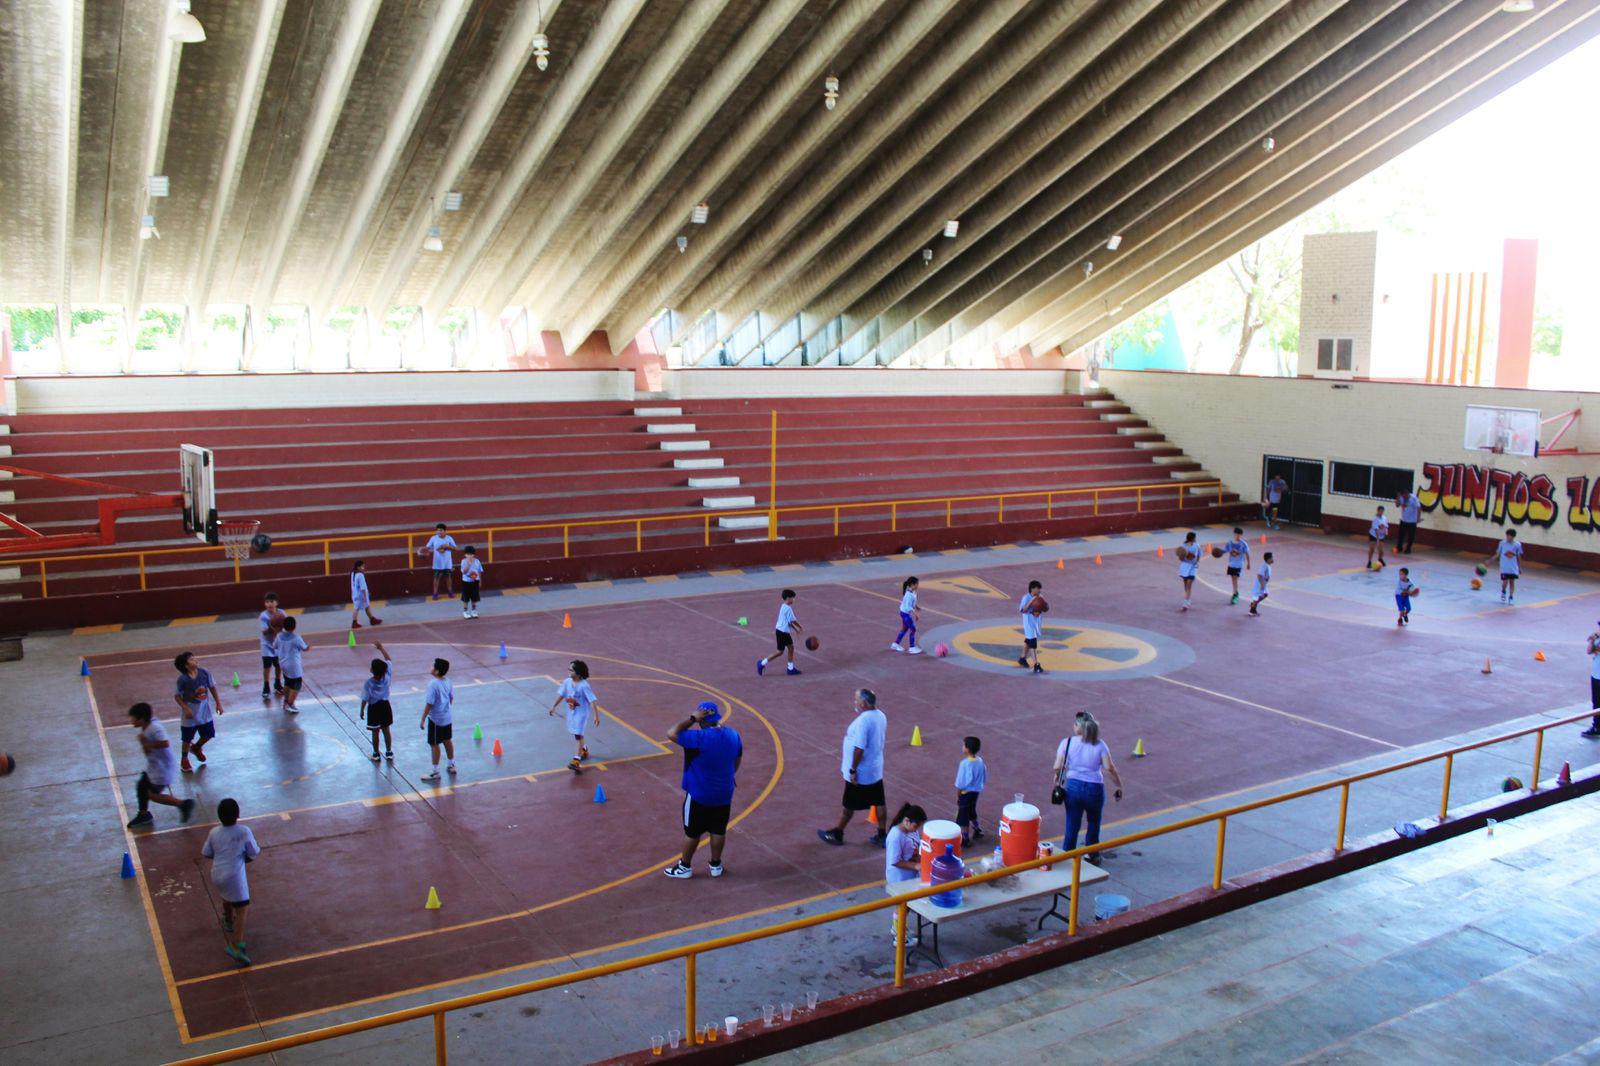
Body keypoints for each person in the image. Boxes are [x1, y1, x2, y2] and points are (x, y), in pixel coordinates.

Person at [662, 701, 743, 879]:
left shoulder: (698, 738)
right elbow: (737, 760)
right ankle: (715, 865)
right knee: (718, 830)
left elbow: (671, 733)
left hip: (699, 794)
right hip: (724, 792)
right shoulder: (733, 735)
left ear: (701, 720)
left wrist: (691, 719)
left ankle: (685, 866)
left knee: (692, 832)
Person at [817, 689, 888, 846]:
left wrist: (853, 769)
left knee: (848, 805)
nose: (854, 702)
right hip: (875, 769)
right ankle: (882, 834)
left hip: (861, 772)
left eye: (856, 700)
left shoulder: (863, 721)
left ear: (863, 703)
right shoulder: (881, 716)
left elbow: (859, 748)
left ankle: (838, 833)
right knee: (879, 802)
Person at [1053, 711, 1124, 856]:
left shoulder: (1067, 743)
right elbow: (1109, 768)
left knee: (1072, 823)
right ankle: (1092, 855)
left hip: (1073, 787)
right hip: (1094, 788)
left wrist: (1058, 776)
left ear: (1078, 727)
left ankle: (1068, 855)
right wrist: (1118, 785)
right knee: (1093, 822)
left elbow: (1057, 766)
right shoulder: (1100, 745)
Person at [202, 797, 260, 966]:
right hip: (234, 875)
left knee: (226, 895)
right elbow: (253, 852)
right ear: (238, 814)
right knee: (242, 908)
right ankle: (236, 945)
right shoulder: (243, 831)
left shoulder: (214, 832)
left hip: (217, 873)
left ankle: (227, 920)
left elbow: (206, 852)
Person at [126, 702, 195, 827]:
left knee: (151, 794)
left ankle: (182, 804)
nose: (131, 720)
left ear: (141, 718)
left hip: (162, 768)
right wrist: (144, 744)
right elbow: (148, 753)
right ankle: (143, 814)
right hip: (154, 766)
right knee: (141, 786)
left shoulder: (155, 728)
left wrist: (147, 744)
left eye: (133, 718)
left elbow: (165, 743)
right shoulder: (146, 727)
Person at [172, 651, 223, 773]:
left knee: (209, 734)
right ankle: (184, 759)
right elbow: (177, 696)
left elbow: (212, 687)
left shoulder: (204, 673)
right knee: (187, 738)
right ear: (186, 665)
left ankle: (196, 747)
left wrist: (218, 703)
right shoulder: (183, 680)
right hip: (190, 713)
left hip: (204, 711)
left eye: (195, 658)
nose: (195, 660)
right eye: (191, 659)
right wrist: (185, 708)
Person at [883, 803, 926, 941]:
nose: (917, 829)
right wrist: (916, 866)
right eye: (916, 825)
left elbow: (914, 846)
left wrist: (917, 857)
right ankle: (899, 935)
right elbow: (895, 861)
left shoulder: (911, 830)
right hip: (899, 877)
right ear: (906, 821)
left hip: (909, 875)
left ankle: (900, 928)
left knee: (906, 906)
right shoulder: (895, 836)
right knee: (902, 906)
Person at [547, 659, 599, 772]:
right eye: (568, 669)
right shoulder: (567, 682)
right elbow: (562, 694)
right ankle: (584, 749)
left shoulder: (584, 686)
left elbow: (592, 700)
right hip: (572, 712)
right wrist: (553, 706)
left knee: (578, 735)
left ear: (578, 673)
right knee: (576, 734)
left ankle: (576, 760)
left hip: (582, 714)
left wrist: (596, 715)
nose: (568, 671)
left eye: (571, 670)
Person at [419, 657, 455, 781]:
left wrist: (423, 718)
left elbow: (429, 703)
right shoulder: (448, 681)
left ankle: (435, 771)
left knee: (434, 744)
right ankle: (451, 764)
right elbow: (451, 698)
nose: (431, 667)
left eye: (433, 666)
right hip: (447, 717)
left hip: (436, 719)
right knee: (447, 740)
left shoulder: (433, 685)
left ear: (437, 671)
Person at [359, 641, 395, 762]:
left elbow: (365, 698)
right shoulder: (387, 676)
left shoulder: (368, 683)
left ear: (372, 671)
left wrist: (362, 710)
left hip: (374, 708)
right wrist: (381, 648)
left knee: (375, 732)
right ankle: (389, 751)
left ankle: (376, 753)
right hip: (385, 706)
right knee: (386, 730)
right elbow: (389, 659)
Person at [757, 589, 803, 676]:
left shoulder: (783, 606)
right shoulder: (788, 608)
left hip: (782, 631)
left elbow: (789, 622)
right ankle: (762, 663)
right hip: (782, 632)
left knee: (790, 648)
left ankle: (790, 668)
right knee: (780, 651)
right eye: (793, 598)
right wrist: (800, 627)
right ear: (788, 598)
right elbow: (793, 621)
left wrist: (796, 630)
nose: (794, 600)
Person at [954, 735, 986, 846]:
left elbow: (960, 783)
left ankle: (966, 839)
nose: (962, 747)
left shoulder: (965, 764)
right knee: (972, 811)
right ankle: (977, 829)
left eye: (963, 745)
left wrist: (958, 795)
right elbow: (984, 774)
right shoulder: (980, 761)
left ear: (967, 749)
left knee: (963, 817)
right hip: (975, 792)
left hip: (965, 793)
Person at [272, 617, 308, 713]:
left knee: (288, 682)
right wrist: (308, 647)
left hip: (283, 663)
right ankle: (290, 703)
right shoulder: (296, 637)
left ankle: (285, 702)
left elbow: (274, 646)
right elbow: (304, 648)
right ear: (295, 626)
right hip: (293, 665)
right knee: (297, 684)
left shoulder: (279, 636)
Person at [419, 523, 459, 600]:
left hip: (447, 563)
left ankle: (450, 592)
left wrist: (448, 547)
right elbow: (427, 548)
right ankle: (435, 593)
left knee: (448, 577)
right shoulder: (433, 538)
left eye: (441, 530)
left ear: (445, 531)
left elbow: (455, 548)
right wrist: (422, 552)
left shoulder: (449, 538)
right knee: (436, 578)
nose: (439, 532)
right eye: (437, 530)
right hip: (437, 563)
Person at [258, 592, 285, 699]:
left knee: (278, 665)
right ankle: (266, 686)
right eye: (267, 602)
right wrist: (273, 626)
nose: (269, 604)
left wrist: (281, 628)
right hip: (267, 644)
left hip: (278, 644)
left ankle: (277, 684)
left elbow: (285, 627)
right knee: (267, 666)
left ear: (276, 603)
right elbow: (264, 631)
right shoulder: (264, 616)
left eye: (271, 601)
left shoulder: (282, 613)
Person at [1017, 580, 1046, 675]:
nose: (1040, 590)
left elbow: (1046, 608)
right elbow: (1023, 610)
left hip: (1036, 623)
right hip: (1029, 623)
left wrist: (1041, 608)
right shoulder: (1026, 598)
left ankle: (1022, 658)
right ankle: (1036, 664)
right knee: (1033, 643)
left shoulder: (1040, 597)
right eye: (1038, 589)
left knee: (1028, 641)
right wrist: (1031, 602)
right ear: (1032, 588)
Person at [1488, 528, 1524, 605]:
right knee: (1505, 582)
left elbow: (1519, 556)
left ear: (1513, 536)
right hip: (1504, 567)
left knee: (1512, 582)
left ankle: (1511, 597)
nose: (1507, 537)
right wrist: (1490, 560)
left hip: (1513, 567)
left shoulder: (1517, 545)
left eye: (1509, 536)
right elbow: (1497, 554)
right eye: (1507, 535)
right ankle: (1503, 591)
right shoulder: (1502, 543)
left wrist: (1520, 567)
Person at [891, 576, 922, 654]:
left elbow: (912, 603)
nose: (918, 585)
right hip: (905, 614)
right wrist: (916, 614)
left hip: (904, 613)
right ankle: (912, 647)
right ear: (912, 584)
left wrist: (916, 607)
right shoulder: (908, 594)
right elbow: (908, 606)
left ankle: (895, 644)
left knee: (905, 629)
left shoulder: (913, 592)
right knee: (913, 629)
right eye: (917, 584)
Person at [1222, 528, 1251, 605]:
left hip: (1239, 564)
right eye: (1236, 534)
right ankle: (1235, 592)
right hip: (1231, 564)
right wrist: (1218, 552)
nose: (1237, 536)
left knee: (1235, 577)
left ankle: (1235, 594)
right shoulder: (1230, 543)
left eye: (1239, 534)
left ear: (1241, 535)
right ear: (1234, 534)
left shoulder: (1243, 544)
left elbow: (1247, 553)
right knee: (1233, 578)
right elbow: (1224, 550)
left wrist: (1248, 563)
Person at [350, 560, 382, 629]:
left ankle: (372, 619)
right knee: (357, 608)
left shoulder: (353, 573)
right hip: (361, 595)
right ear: (358, 567)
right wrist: (365, 596)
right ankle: (354, 622)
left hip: (355, 593)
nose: (363, 568)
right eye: (362, 566)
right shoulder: (360, 575)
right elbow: (363, 587)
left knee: (366, 607)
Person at [1582, 623, 1600, 739]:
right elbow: (1589, 651)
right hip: (1596, 674)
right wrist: (1592, 641)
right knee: (1596, 702)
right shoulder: (1597, 637)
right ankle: (1597, 726)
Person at [1177, 530, 1200, 611]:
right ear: (1192, 538)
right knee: (1186, 584)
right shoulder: (1183, 546)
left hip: (1193, 567)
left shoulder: (1197, 546)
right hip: (1185, 566)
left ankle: (1185, 602)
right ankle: (1188, 598)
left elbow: (1199, 555)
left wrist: (1197, 562)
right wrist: (1182, 555)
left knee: (1189, 584)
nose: (1195, 539)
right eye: (1195, 538)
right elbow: (1180, 557)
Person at [1395, 487, 1422, 554]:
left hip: (1412, 521)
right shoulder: (1401, 497)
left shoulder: (1414, 498)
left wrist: (1418, 518)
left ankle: (1408, 548)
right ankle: (1399, 547)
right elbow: (1397, 505)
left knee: (1411, 536)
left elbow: (1419, 508)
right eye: (1402, 496)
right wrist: (1398, 497)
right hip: (1403, 519)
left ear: (1407, 494)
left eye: (1405, 496)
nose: (1404, 498)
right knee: (1401, 535)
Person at [460, 545, 483, 619]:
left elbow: (479, 571)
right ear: (465, 555)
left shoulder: (477, 561)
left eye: (471, 554)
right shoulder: (463, 561)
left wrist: (479, 581)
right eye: (468, 554)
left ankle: (474, 610)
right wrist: (469, 564)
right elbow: (464, 571)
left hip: (475, 582)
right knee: (465, 598)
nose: (469, 556)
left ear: (474, 554)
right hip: (466, 582)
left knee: (474, 597)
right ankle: (465, 611)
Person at [1248, 551, 1274, 616]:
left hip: (1263, 584)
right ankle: (1252, 610)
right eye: (1272, 558)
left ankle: (1253, 604)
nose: (1273, 559)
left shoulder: (1267, 566)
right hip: (1260, 584)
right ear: (1268, 559)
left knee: (1265, 594)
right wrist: (1262, 584)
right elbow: (1259, 576)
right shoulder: (1264, 566)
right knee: (1260, 595)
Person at [1366, 506, 1390, 570]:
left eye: (1382, 511)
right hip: (1373, 535)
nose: (1381, 512)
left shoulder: (1385, 518)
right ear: (1378, 511)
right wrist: (1378, 540)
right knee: (1372, 549)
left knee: (1381, 550)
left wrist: (1386, 532)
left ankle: (1380, 559)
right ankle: (1369, 561)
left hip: (1381, 535)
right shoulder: (1375, 519)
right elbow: (1376, 530)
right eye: (1380, 511)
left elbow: (1386, 526)